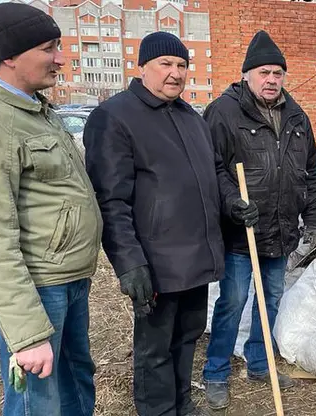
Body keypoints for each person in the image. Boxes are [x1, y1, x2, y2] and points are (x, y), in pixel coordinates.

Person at [83, 32, 228, 416]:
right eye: (166, 64)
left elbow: (212, 174)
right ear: (142, 66)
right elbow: (110, 200)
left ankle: (183, 405)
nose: (176, 73)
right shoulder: (115, 117)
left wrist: (232, 202)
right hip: (156, 263)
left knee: (187, 340)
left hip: (196, 257)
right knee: (155, 351)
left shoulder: (191, 118)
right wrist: (129, 263)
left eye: (182, 65)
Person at [201, 30, 316, 410]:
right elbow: (212, 167)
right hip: (242, 231)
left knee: (270, 301)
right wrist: (233, 202)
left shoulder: (297, 116)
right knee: (233, 301)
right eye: (264, 72)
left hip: (281, 229)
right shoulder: (224, 112)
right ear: (247, 74)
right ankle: (215, 373)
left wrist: (312, 218)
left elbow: (311, 170)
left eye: (278, 73)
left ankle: (259, 362)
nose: (271, 80)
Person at [0, 3, 103, 416]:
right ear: (8, 55)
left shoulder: (38, 111)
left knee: (75, 382)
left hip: (69, 278)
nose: (60, 58)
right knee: (38, 402)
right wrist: (26, 334)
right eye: (48, 48)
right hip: (39, 288)